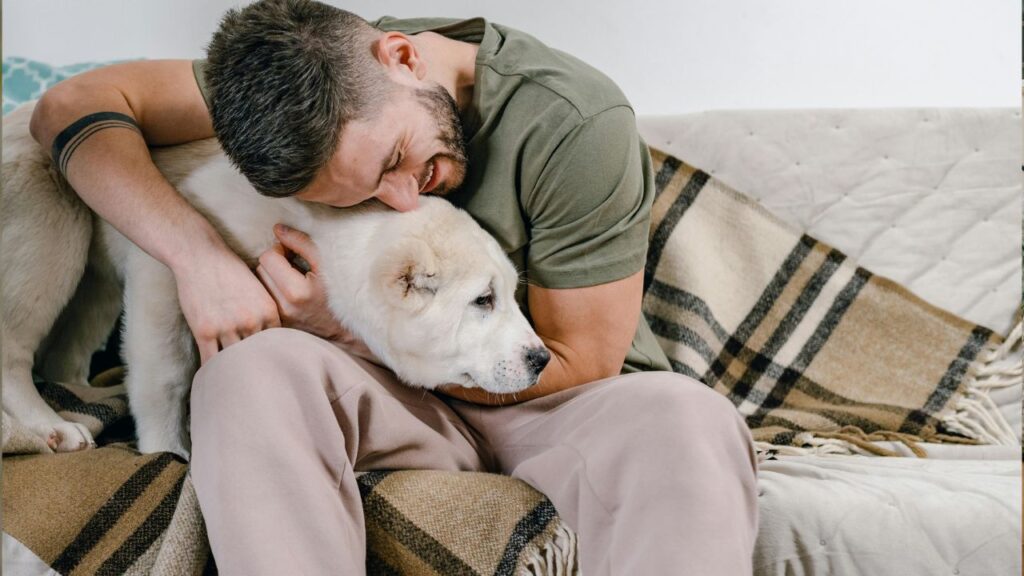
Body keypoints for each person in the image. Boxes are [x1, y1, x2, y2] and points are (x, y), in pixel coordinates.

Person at [30, 0, 759, 573]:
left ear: (403, 57)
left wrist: (344, 328)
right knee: (245, 373)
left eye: (395, 159)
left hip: (548, 402)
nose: (406, 197)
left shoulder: (571, 120)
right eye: (365, 194)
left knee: (686, 415)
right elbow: (68, 109)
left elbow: (582, 360)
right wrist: (198, 258)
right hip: (385, 402)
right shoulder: (284, 92)